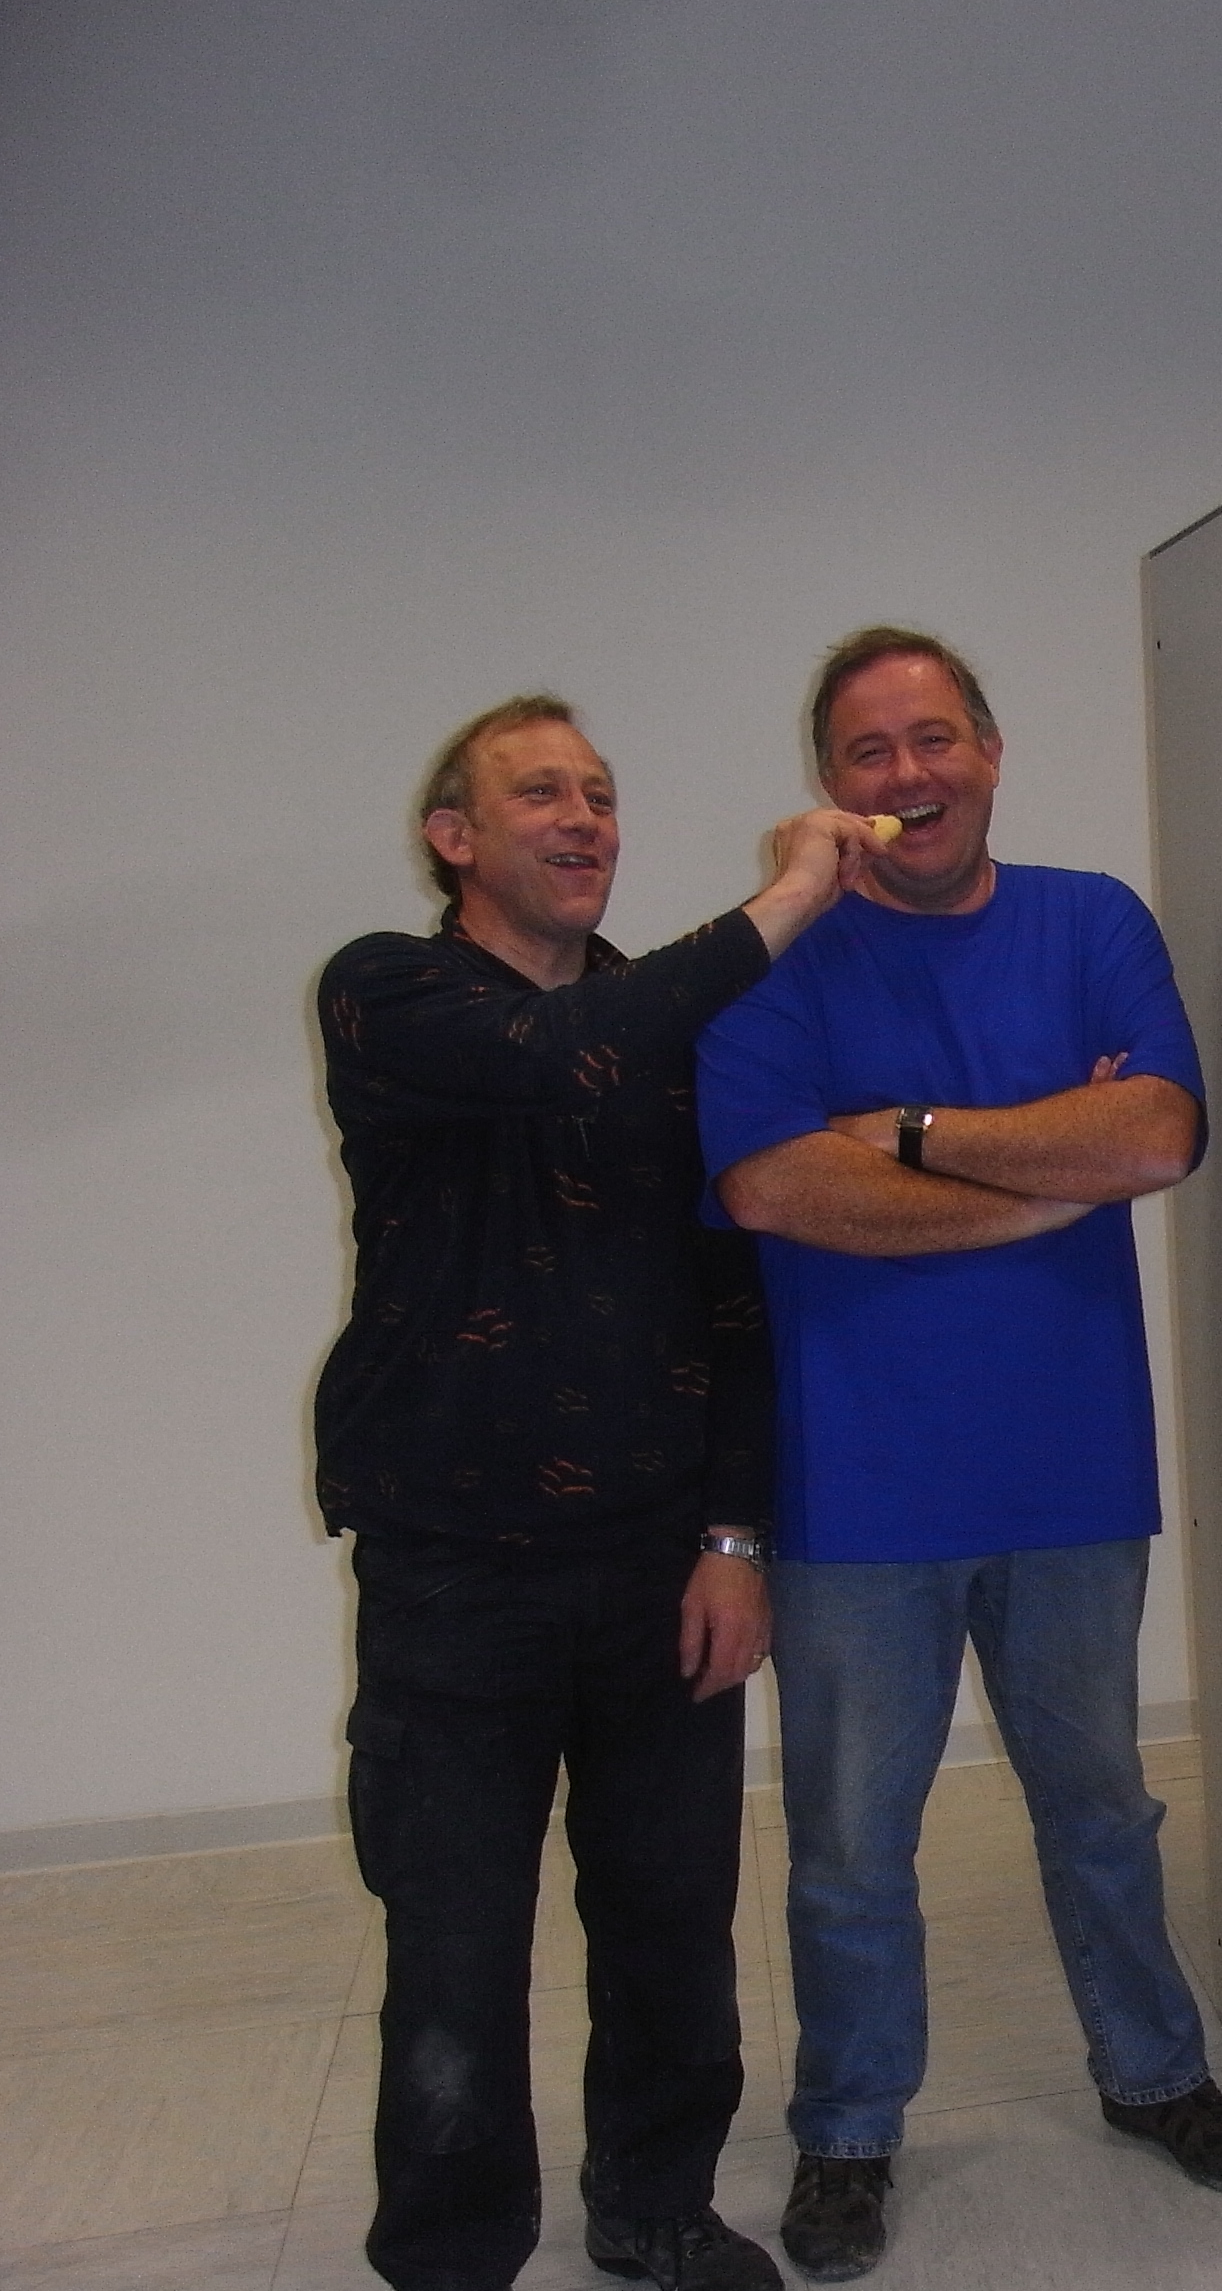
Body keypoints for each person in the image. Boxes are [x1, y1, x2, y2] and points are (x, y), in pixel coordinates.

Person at [698, 627, 1222, 2283]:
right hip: (855, 1484)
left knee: (1102, 1807)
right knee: (849, 1849)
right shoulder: (776, 962)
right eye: (871, 753)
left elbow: (1157, 1130)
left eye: (936, 738)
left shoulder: (1094, 922)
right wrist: (1042, 1181)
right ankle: (849, 2129)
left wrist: (906, 1134)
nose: (910, 775)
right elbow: (773, 1187)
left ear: (992, 751)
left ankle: (1154, 2076)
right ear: (832, 785)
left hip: (1071, 1472)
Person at [315, 693, 875, 2291]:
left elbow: (733, 1300)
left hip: (656, 1566)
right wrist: (791, 897)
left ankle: (655, 2206)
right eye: (541, 793)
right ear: (454, 838)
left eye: (603, 795)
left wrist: (735, 1537)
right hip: (452, 1572)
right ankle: (451, 2256)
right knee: (456, 1949)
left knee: (671, 1927)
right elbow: (554, 1058)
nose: (584, 820)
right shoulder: (390, 991)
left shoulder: (674, 1026)